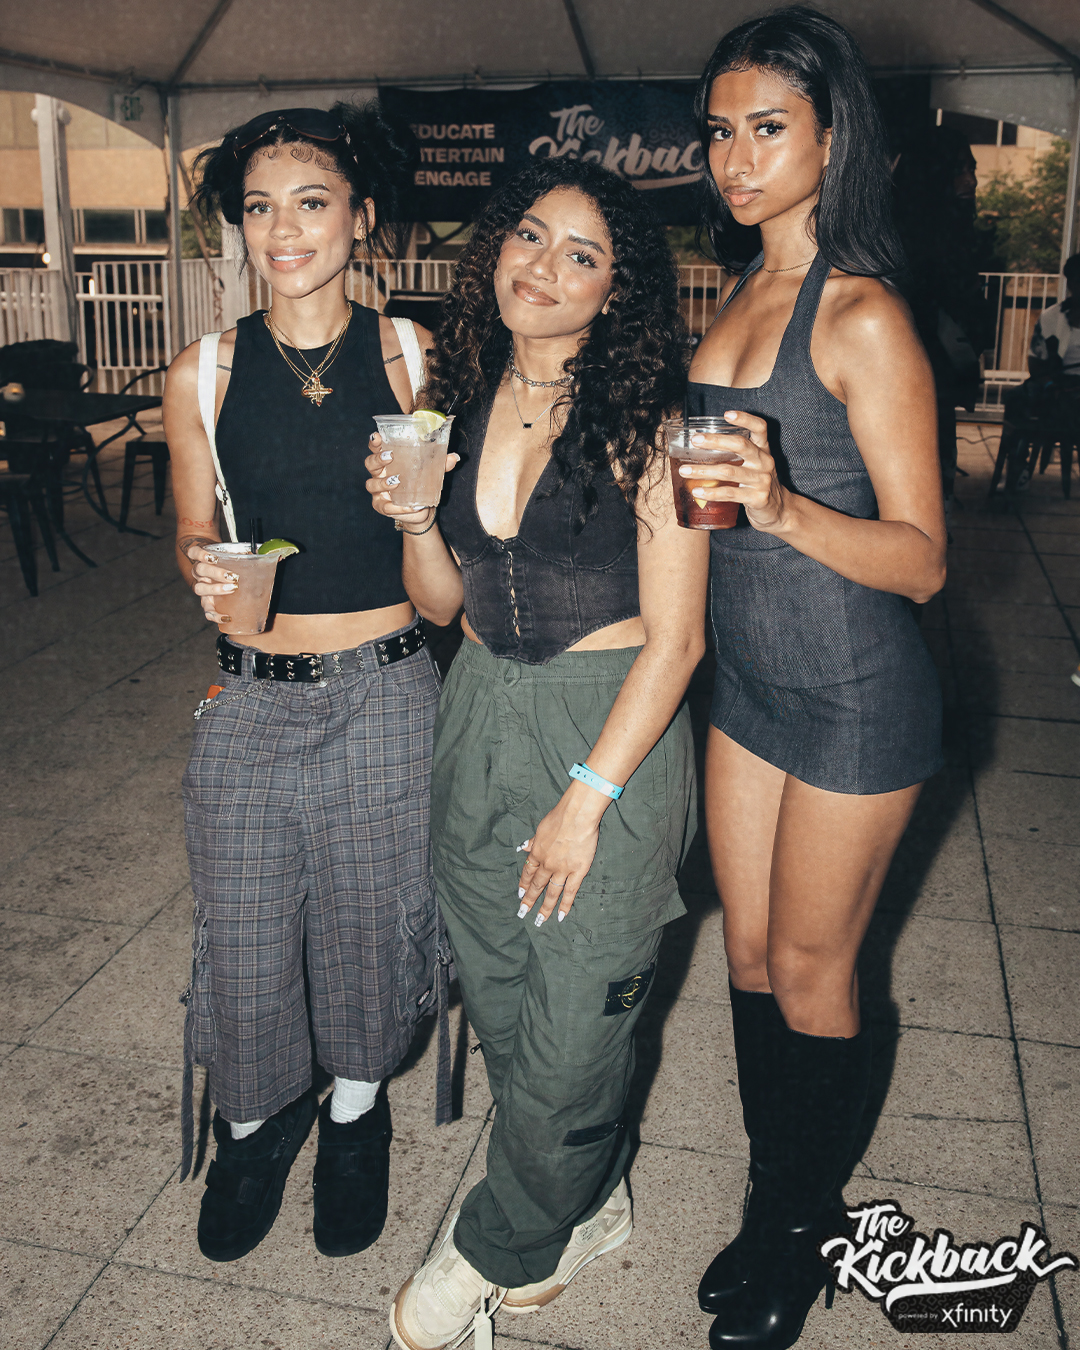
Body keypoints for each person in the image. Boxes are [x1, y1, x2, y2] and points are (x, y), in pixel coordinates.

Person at [364, 157, 707, 1350]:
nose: (544, 266)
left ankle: (495, 1246)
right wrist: (415, 518)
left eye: (582, 254)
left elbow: (679, 640)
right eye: (528, 236)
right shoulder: (453, 403)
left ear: (617, 290)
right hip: (477, 711)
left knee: (577, 1018)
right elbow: (438, 604)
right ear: (493, 252)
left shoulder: (658, 424)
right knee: (504, 990)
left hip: (610, 729)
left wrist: (586, 799)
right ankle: (590, 1196)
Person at [681, 10, 946, 1349]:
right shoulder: (734, 293)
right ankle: (771, 1190)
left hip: (853, 691)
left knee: (810, 967)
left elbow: (924, 560)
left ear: (833, 141)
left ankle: (798, 1231)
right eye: (719, 132)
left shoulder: (863, 314)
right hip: (749, 684)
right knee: (743, 951)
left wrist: (784, 509)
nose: (735, 158)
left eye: (767, 129)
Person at [164, 102, 442, 1265]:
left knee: (372, 924)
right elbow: (193, 525)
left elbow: (454, 564)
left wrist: (422, 516)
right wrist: (206, 567)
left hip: (386, 683)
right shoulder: (203, 371)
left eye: (311, 202)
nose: (284, 230)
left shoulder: (414, 354)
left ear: (360, 216)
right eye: (260, 208)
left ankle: (355, 1116)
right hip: (252, 694)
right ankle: (253, 1123)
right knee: (242, 926)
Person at [892, 125, 996, 507]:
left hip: (940, 385)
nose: (971, 180)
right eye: (959, 170)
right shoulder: (904, 243)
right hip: (912, 384)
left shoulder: (952, 232)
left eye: (972, 169)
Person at [996, 252, 1080, 492]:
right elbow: (1035, 361)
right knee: (1016, 398)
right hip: (1054, 383)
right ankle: (1017, 467)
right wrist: (1050, 383)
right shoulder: (1052, 316)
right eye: (1075, 281)